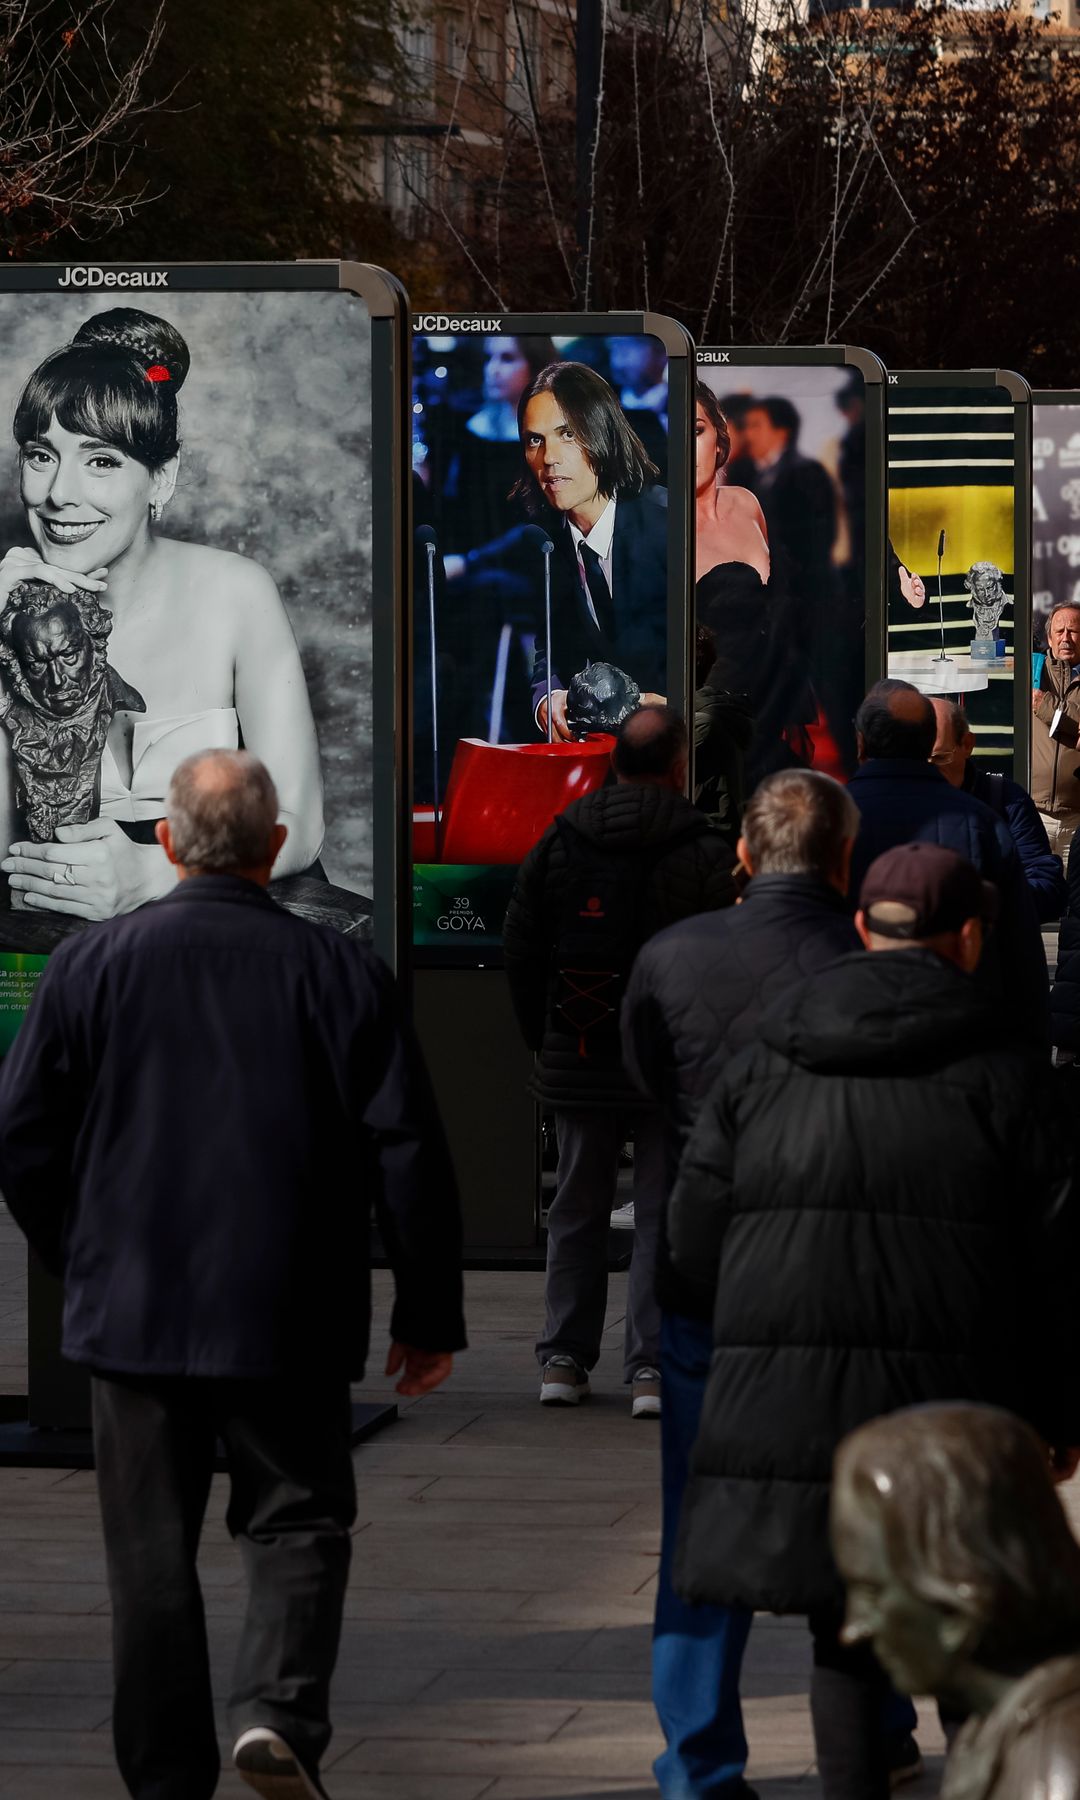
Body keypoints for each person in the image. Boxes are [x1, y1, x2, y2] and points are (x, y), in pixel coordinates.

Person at [0, 748, 466, 1800]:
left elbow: (22, 1136)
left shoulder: (90, 967)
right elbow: (408, 1147)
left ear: (166, 844)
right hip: (288, 1300)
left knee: (149, 1552)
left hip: (134, 1308)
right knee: (298, 1517)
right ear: (273, 849)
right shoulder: (339, 972)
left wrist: (81, 1252)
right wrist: (428, 1311)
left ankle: (167, 1777)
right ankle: (279, 1714)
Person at [668, 841, 1078, 1800]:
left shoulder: (768, 1056)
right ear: (969, 940)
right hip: (962, 1410)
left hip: (798, 1406)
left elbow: (690, 1240)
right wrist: (1059, 1421)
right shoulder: (1010, 1078)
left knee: (845, 1628)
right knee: (982, 1625)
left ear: (861, 929)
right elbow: (1060, 1269)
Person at [623, 768, 861, 1800]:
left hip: (710, 1272)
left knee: (696, 1522)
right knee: (859, 1512)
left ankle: (699, 1761)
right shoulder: (865, 965)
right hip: (841, 1281)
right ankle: (874, 1729)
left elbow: (646, 1081)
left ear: (743, 855)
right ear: (843, 862)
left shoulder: (671, 956)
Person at [0, 307, 324, 923]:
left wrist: (159, 873)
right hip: (57, 940)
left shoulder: (237, 593)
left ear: (161, 479)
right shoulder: (8, 606)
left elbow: (299, 825)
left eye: (101, 461)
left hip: (223, 917)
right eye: (42, 455)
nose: (59, 493)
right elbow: (3, 854)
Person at [502, 705, 735, 1416]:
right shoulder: (705, 849)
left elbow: (521, 944)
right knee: (663, 1209)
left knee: (576, 1203)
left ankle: (564, 1360)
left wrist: (540, 1033)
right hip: (672, 1061)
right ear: (678, 768)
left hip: (580, 1044)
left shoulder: (562, 840)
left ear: (610, 764)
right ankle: (651, 1370)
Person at [833, 1405, 1080, 1800]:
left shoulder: (1053, 1775)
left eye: (873, 1594)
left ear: (960, 1597)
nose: (854, 1627)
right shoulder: (1001, 1728)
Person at [847, 680, 1049, 1048]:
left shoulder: (830, 817)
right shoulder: (979, 821)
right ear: (928, 744)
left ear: (860, 745)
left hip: (849, 1022)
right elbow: (1022, 956)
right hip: (963, 1031)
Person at [513, 361, 669, 742]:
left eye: (567, 434)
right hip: (607, 755)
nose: (549, 457)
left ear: (602, 433)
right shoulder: (545, 543)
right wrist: (546, 698)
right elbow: (547, 646)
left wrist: (678, 705)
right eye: (535, 439)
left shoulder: (669, 524)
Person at [929, 696, 1066, 923]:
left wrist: (982, 901)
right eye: (917, 759)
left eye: (939, 758)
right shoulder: (898, 802)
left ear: (967, 744)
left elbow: (1048, 887)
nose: (928, 770)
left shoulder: (1006, 800)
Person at [1032, 600, 1080, 867]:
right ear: (1049, 638)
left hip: (1076, 818)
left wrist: (1045, 706)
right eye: (1059, 632)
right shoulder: (1033, 672)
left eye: (1073, 631)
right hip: (1034, 814)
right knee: (1035, 899)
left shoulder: (1039, 694)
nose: (1066, 638)